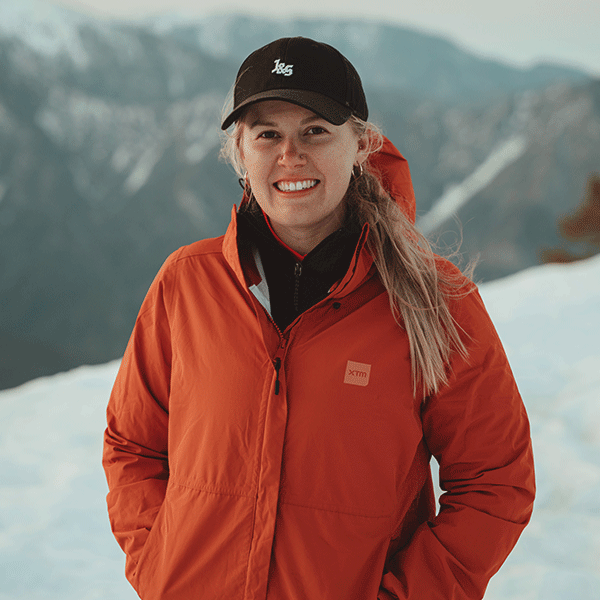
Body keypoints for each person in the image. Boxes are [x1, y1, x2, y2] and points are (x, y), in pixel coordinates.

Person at [103, 37, 535, 600]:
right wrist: (160, 568)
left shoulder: (435, 302)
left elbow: (495, 481)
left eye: (315, 131)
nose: (291, 155)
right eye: (267, 134)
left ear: (360, 144)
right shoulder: (187, 283)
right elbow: (132, 445)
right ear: (240, 152)